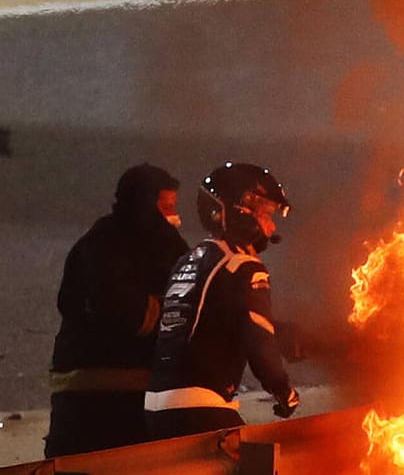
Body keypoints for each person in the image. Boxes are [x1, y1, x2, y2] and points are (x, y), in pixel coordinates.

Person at [145, 162, 300, 439]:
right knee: (268, 468)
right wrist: (283, 390)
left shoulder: (189, 260)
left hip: (155, 407)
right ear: (242, 211)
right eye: (266, 214)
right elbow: (259, 338)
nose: (271, 226)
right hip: (202, 406)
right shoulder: (243, 265)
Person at [44, 164, 191, 457]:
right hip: (101, 402)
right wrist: (175, 313)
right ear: (142, 205)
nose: (172, 218)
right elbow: (126, 313)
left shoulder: (99, 242)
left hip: (122, 397)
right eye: (165, 207)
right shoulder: (105, 248)